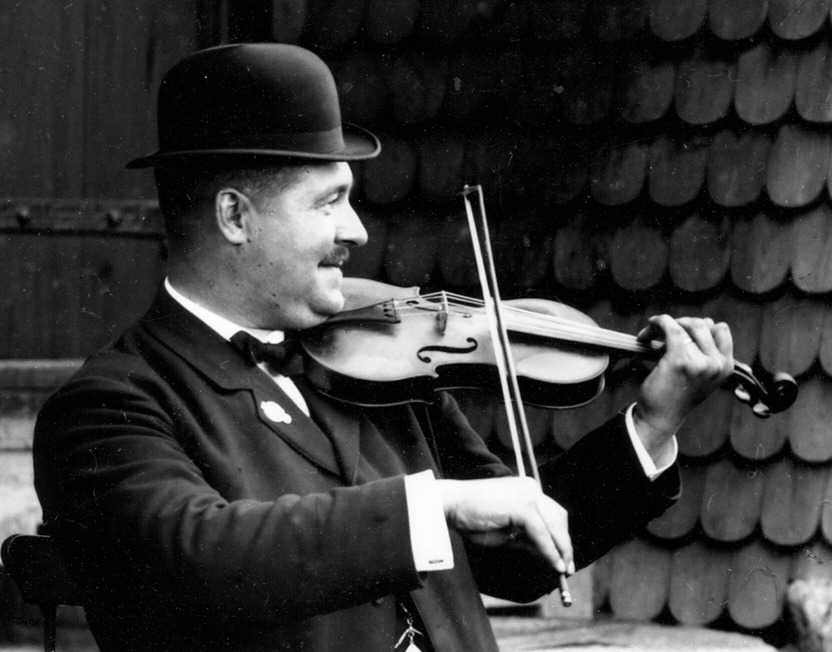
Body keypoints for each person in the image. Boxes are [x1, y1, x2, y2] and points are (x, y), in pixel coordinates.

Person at [33, 43, 733, 652]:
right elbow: (202, 560)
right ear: (235, 216)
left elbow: (519, 552)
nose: (358, 231)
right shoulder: (107, 410)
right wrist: (435, 507)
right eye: (328, 201)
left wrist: (652, 425)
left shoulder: (377, 363)